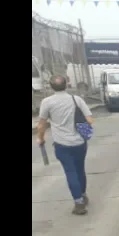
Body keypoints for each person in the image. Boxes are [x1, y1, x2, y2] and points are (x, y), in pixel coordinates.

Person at [36, 75, 94, 215]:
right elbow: (90, 120)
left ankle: (79, 203)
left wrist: (40, 138)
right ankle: (83, 195)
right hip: (80, 142)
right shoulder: (77, 100)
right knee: (80, 169)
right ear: (67, 85)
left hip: (62, 144)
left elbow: (41, 125)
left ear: (50, 86)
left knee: (70, 171)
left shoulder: (47, 102)